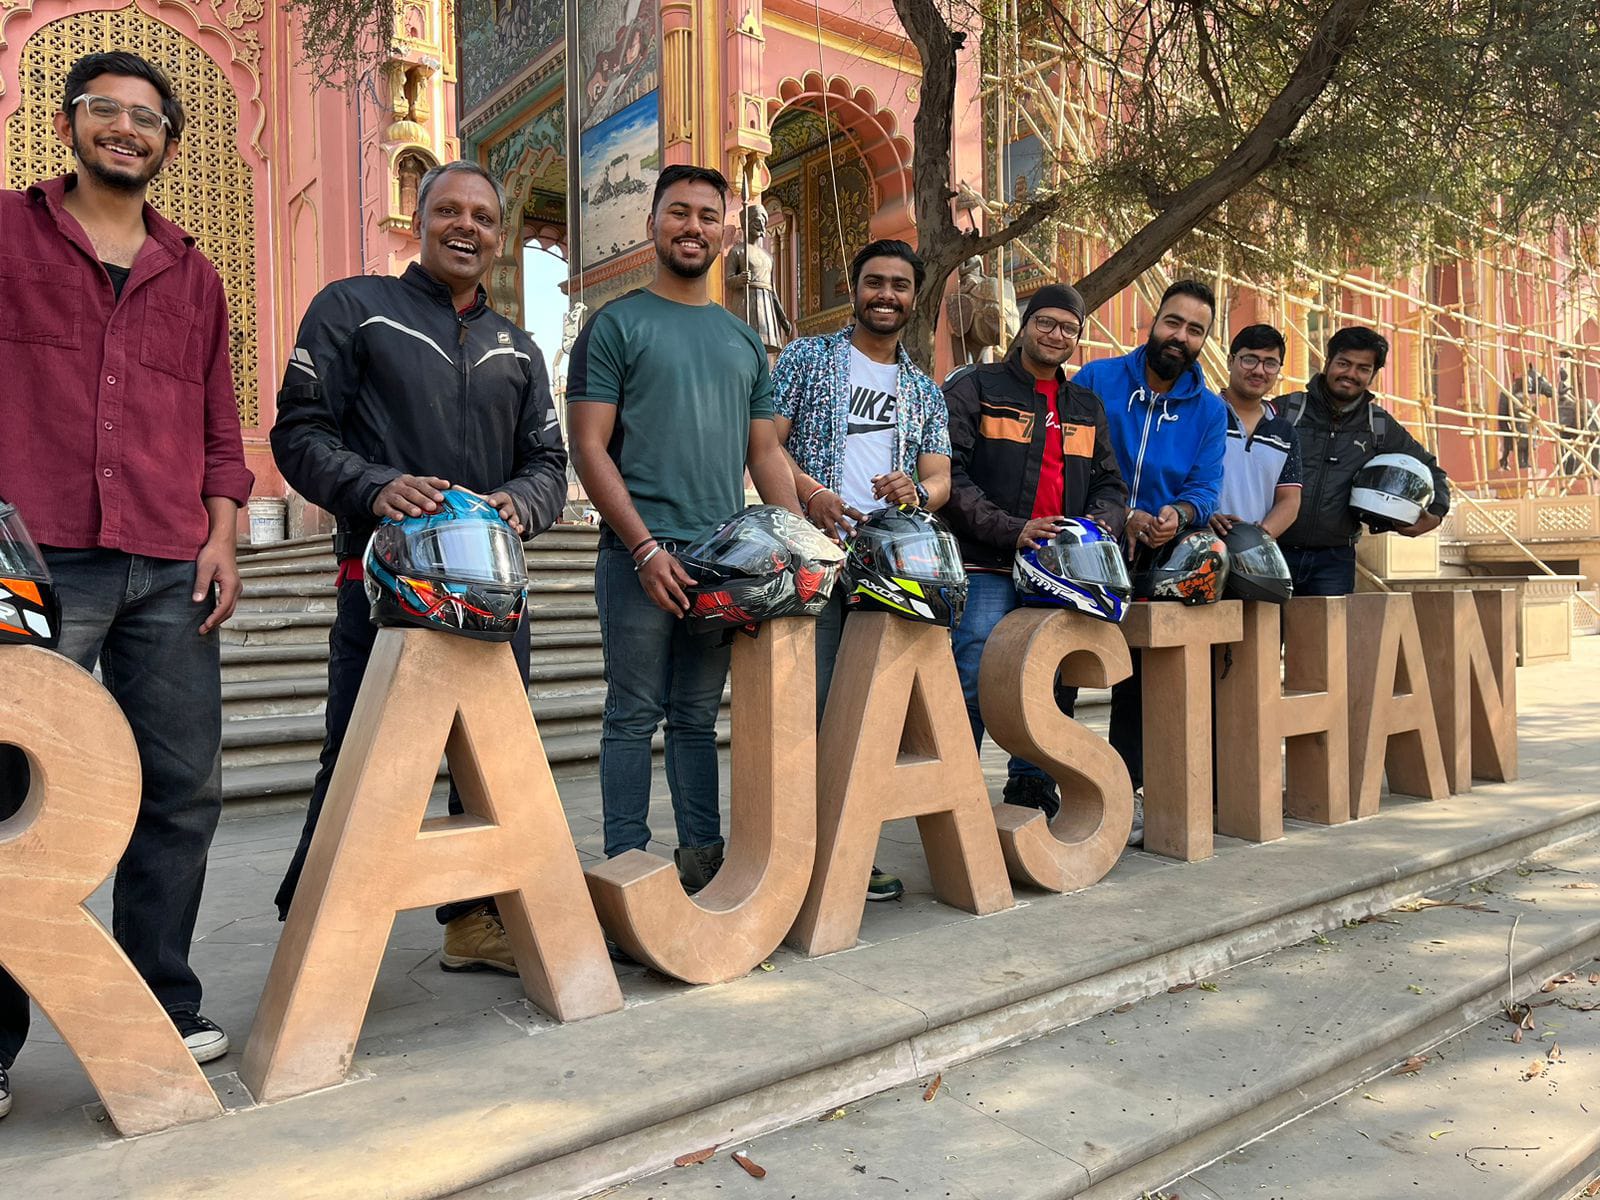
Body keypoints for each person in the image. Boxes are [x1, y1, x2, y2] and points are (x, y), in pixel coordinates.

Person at [0, 52, 255, 1101]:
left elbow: (217, 423)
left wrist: (225, 531)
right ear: (68, 126)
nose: (126, 129)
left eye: (146, 119)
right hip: (30, 556)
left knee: (181, 786)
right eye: (106, 111)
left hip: (166, 563)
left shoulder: (192, 273)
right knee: (10, 790)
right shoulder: (7, 235)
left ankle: (161, 1000)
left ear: (169, 145)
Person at [270, 160, 568, 973]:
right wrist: (377, 486)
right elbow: (298, 433)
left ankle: (475, 923)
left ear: (499, 236)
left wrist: (522, 505)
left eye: (482, 216)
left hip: (494, 594)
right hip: (385, 591)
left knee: (492, 769)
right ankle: (319, 936)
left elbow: (547, 462)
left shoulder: (518, 346)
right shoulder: (355, 309)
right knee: (364, 763)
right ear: (421, 216)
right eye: (449, 211)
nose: (466, 227)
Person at [567, 164, 803, 896]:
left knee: (698, 717)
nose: (692, 226)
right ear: (653, 225)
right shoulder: (616, 324)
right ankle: (628, 871)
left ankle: (704, 861)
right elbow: (588, 447)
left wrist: (793, 549)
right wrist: (641, 548)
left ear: (726, 234)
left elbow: (764, 452)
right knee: (633, 716)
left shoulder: (742, 343)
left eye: (707, 214)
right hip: (640, 558)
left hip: (721, 564)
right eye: (678, 212)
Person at [771, 238, 953, 901]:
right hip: (813, 560)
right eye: (874, 282)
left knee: (868, 717)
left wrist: (918, 492)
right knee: (811, 708)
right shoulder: (807, 358)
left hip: (889, 570)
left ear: (913, 297)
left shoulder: (923, 390)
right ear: (855, 289)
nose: (886, 295)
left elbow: (941, 479)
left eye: (899, 285)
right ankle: (792, 853)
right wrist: (813, 494)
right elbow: (764, 441)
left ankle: (852, 852)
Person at [942, 283, 1128, 820]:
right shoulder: (976, 387)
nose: (1056, 335)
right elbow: (947, 473)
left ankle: (1031, 786)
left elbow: (1111, 485)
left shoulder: (1085, 406)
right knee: (974, 672)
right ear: (1023, 327)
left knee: (1051, 678)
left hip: (1063, 569)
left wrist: (1098, 526)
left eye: (1068, 327)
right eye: (1045, 323)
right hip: (987, 563)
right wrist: (1011, 529)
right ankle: (955, 793)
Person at [1070, 279, 1227, 843]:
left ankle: (1125, 792)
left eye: (1195, 330)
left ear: (1204, 340)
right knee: (1067, 667)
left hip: (1156, 561)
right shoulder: (1096, 380)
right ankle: (1046, 785)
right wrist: (1123, 513)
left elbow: (1208, 487)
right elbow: (1071, 462)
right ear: (1152, 321)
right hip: (1088, 547)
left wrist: (1179, 515)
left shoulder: (1210, 411)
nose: (1180, 336)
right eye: (1173, 322)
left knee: (1134, 681)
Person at [1276, 326, 1451, 596]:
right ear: (1328, 361)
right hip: (1273, 549)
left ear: (1373, 375)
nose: (1350, 375)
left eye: (1363, 368)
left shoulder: (1378, 425)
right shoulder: (1286, 410)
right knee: (1261, 637)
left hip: (1333, 562)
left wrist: (1436, 514)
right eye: (1344, 363)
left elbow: (1431, 469)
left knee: (1328, 639)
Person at [1209, 324, 1302, 538]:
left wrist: (1257, 540)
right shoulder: (1204, 416)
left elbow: (1289, 500)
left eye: (1270, 363)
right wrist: (1200, 513)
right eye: (1250, 359)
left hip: (1255, 559)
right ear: (1230, 361)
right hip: (1200, 547)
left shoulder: (1284, 433)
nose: (1259, 371)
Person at [724, 202, 793, 356]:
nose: (760, 225)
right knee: (744, 344)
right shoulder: (738, 251)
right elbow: (728, 280)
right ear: (747, 224)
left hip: (766, 306)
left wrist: (783, 319)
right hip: (746, 302)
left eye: (763, 222)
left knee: (762, 349)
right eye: (756, 222)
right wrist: (739, 279)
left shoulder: (768, 257)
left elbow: (773, 290)